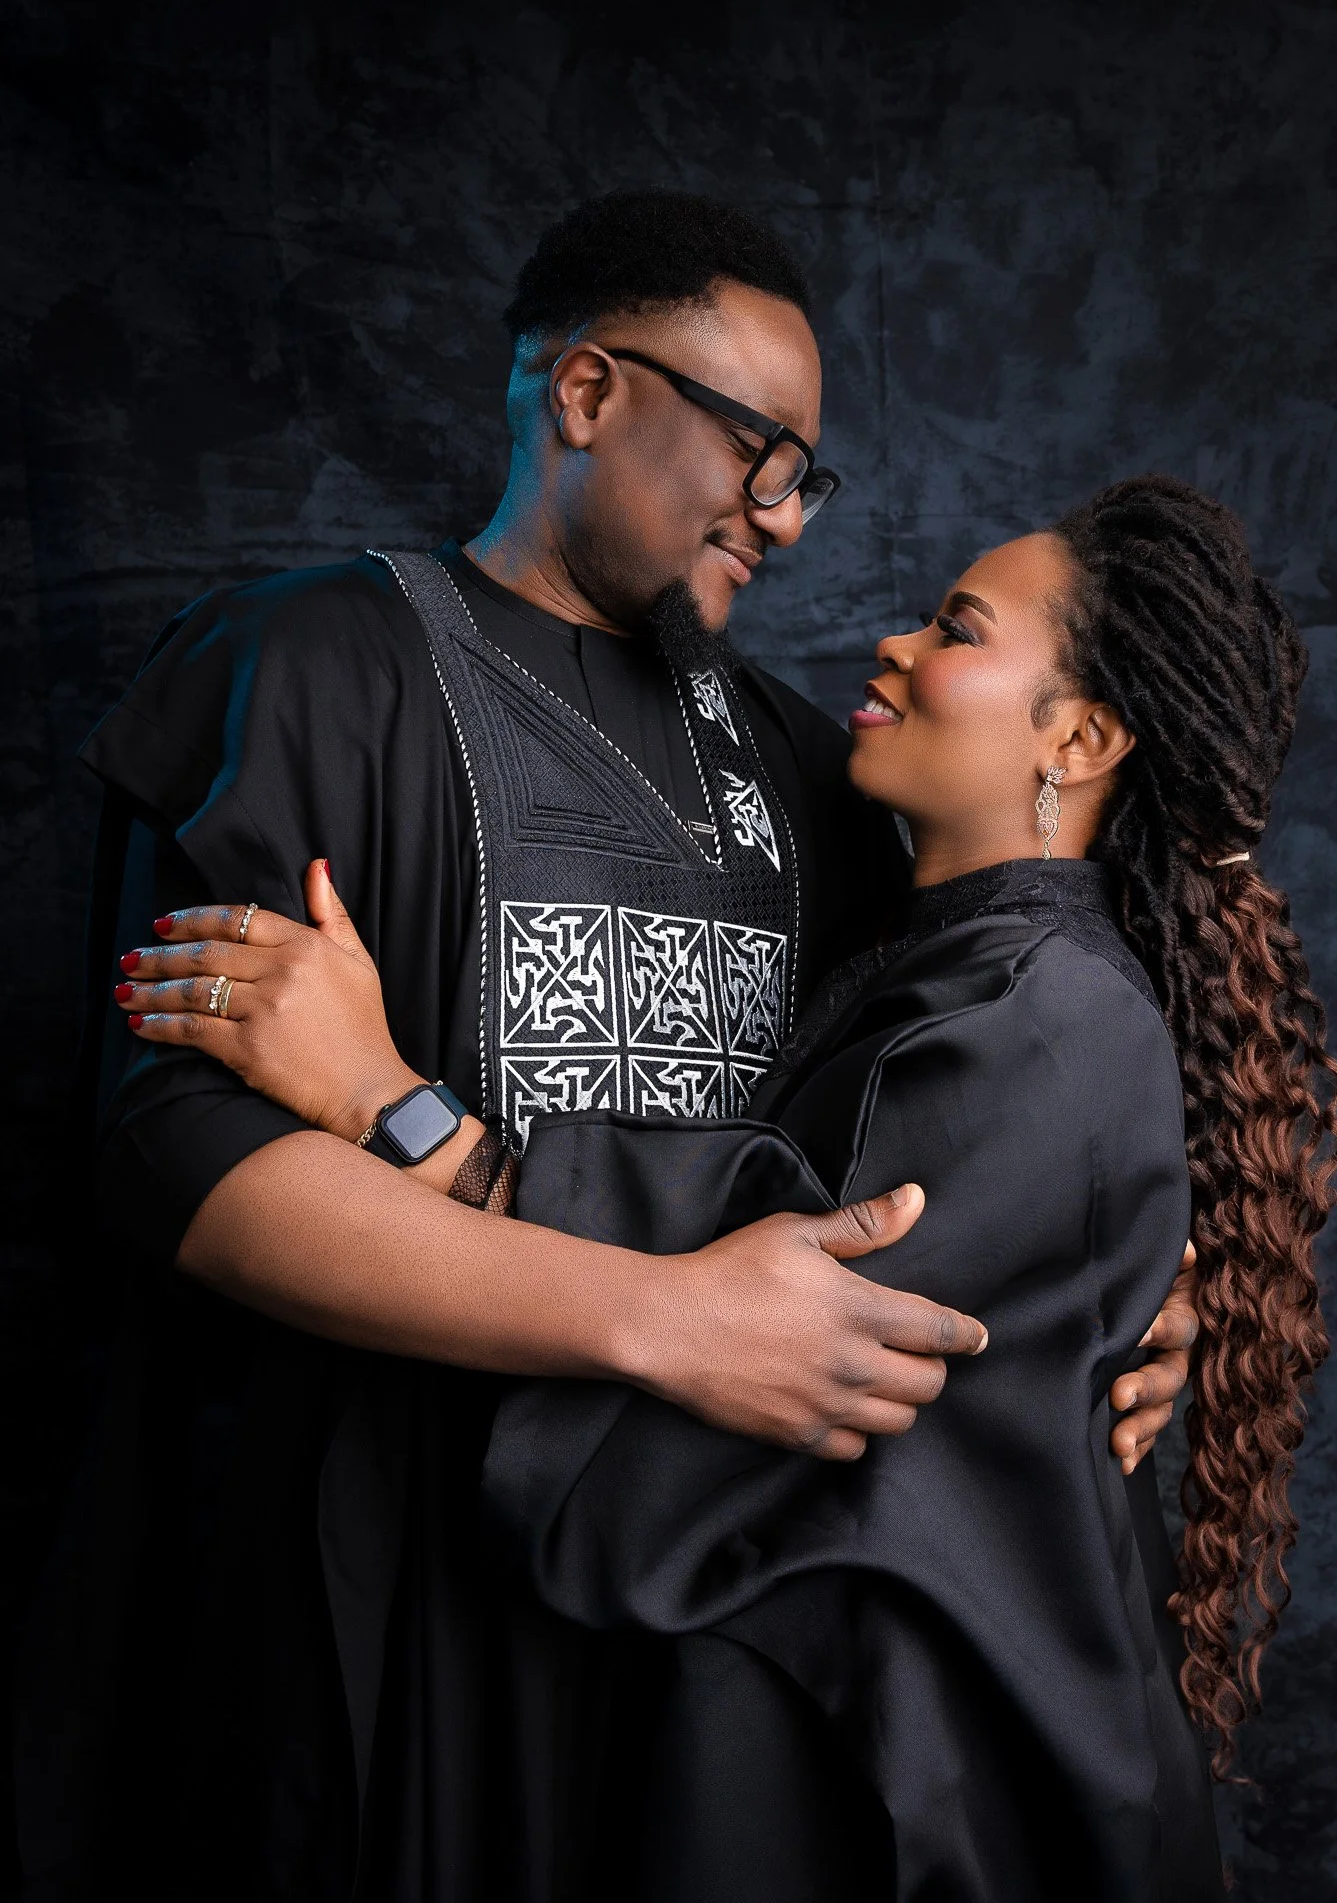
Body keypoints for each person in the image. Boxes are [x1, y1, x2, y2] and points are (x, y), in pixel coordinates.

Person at [18, 194, 1193, 1902]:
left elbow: (958, 1118)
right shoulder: (309, 666)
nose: (779, 516)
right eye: (755, 452)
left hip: (683, 1629)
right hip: (372, 1581)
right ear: (584, 392)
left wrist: (1125, 1287)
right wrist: (658, 1319)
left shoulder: (811, 773)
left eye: (804, 477)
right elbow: (179, 1162)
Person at [118, 476, 1337, 1901]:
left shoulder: (1043, 1011)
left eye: (956, 629)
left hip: (933, 1783)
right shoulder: (940, 951)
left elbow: (788, 1304)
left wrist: (390, 1105)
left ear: (1075, 738)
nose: (892, 643)